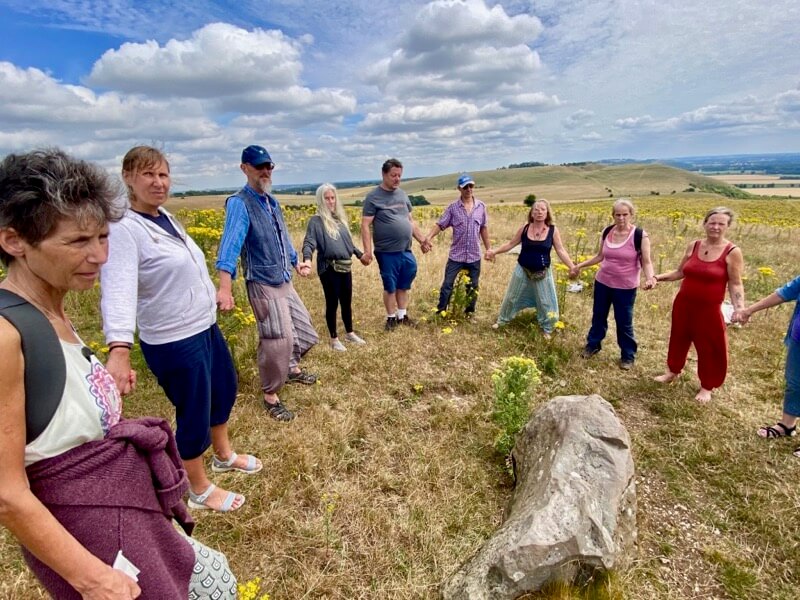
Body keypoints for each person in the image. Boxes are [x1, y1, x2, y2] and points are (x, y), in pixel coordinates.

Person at [0, 149, 236, 599]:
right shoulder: (7, 335)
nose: (99, 256)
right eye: (78, 241)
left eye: (103, 237)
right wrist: (93, 579)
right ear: (14, 241)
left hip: (122, 517)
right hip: (91, 539)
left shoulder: (54, 314)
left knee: (209, 578)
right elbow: (7, 493)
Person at [101, 146, 260, 513]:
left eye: (163, 175)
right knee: (194, 409)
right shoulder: (125, 229)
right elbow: (118, 289)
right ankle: (198, 487)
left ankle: (223, 454)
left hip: (203, 326)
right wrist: (119, 349)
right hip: (173, 337)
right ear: (128, 178)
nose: (158, 183)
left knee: (224, 389)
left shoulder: (166, 218)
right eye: (148, 175)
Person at [216, 145, 318, 422]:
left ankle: (292, 369)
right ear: (245, 168)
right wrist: (225, 288)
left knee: (304, 329)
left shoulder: (271, 203)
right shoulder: (240, 203)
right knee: (277, 339)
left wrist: (297, 261)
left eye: (268, 166)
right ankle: (271, 395)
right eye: (259, 166)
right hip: (262, 281)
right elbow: (230, 246)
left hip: (283, 277)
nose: (265, 171)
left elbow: (283, 238)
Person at [652, 206, 745, 402]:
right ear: (704, 224)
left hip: (709, 309)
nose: (716, 227)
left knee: (709, 346)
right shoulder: (693, 245)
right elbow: (680, 272)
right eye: (712, 222)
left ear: (728, 226)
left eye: (721, 224)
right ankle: (673, 371)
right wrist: (656, 278)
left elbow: (735, 283)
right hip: (684, 304)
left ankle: (706, 386)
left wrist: (740, 309)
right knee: (678, 337)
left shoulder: (732, 252)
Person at [572, 198, 657, 370]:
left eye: (625, 214)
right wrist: (579, 265)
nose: (621, 218)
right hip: (603, 282)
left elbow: (646, 262)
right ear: (613, 215)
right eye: (617, 215)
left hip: (625, 287)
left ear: (631, 215)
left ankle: (627, 355)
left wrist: (651, 278)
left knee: (624, 321)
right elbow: (599, 256)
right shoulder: (607, 232)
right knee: (598, 316)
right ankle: (593, 345)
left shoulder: (640, 235)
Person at [486, 199, 576, 338]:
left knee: (546, 301)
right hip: (522, 269)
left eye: (542, 209)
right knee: (511, 297)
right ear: (531, 213)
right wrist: (494, 252)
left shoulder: (553, 230)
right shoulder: (525, 228)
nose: (539, 212)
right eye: (536, 209)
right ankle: (503, 320)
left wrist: (572, 266)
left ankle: (548, 327)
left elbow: (561, 250)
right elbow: (510, 244)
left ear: (547, 213)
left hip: (542, 272)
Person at [733, 275, 800, 456]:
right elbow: (783, 293)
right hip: (798, 340)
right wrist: (749, 310)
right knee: (793, 384)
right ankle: (787, 425)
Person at [360, 158, 429, 330]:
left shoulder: (402, 195)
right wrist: (367, 251)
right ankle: (390, 318)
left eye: (399, 176)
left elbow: (410, 221)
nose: (397, 179)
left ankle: (402, 315)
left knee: (404, 284)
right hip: (387, 251)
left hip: (406, 250)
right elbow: (365, 225)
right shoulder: (373, 197)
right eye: (393, 175)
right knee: (390, 286)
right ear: (384, 174)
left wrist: (422, 240)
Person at [301, 183, 367, 351]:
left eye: (332, 198)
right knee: (332, 303)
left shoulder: (340, 220)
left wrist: (360, 255)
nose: (330, 201)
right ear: (320, 200)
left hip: (345, 267)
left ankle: (350, 333)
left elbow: (348, 244)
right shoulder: (316, 221)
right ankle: (334, 339)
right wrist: (307, 260)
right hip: (329, 268)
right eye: (326, 198)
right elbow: (309, 242)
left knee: (347, 301)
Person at [425, 173, 491, 318]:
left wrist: (489, 249)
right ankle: (441, 311)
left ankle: (469, 314)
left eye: (471, 186)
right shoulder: (453, 208)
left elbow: (484, 229)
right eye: (465, 187)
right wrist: (428, 237)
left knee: (472, 287)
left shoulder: (481, 207)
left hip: (474, 255)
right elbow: (440, 224)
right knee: (447, 285)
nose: (469, 189)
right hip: (456, 255)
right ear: (459, 189)